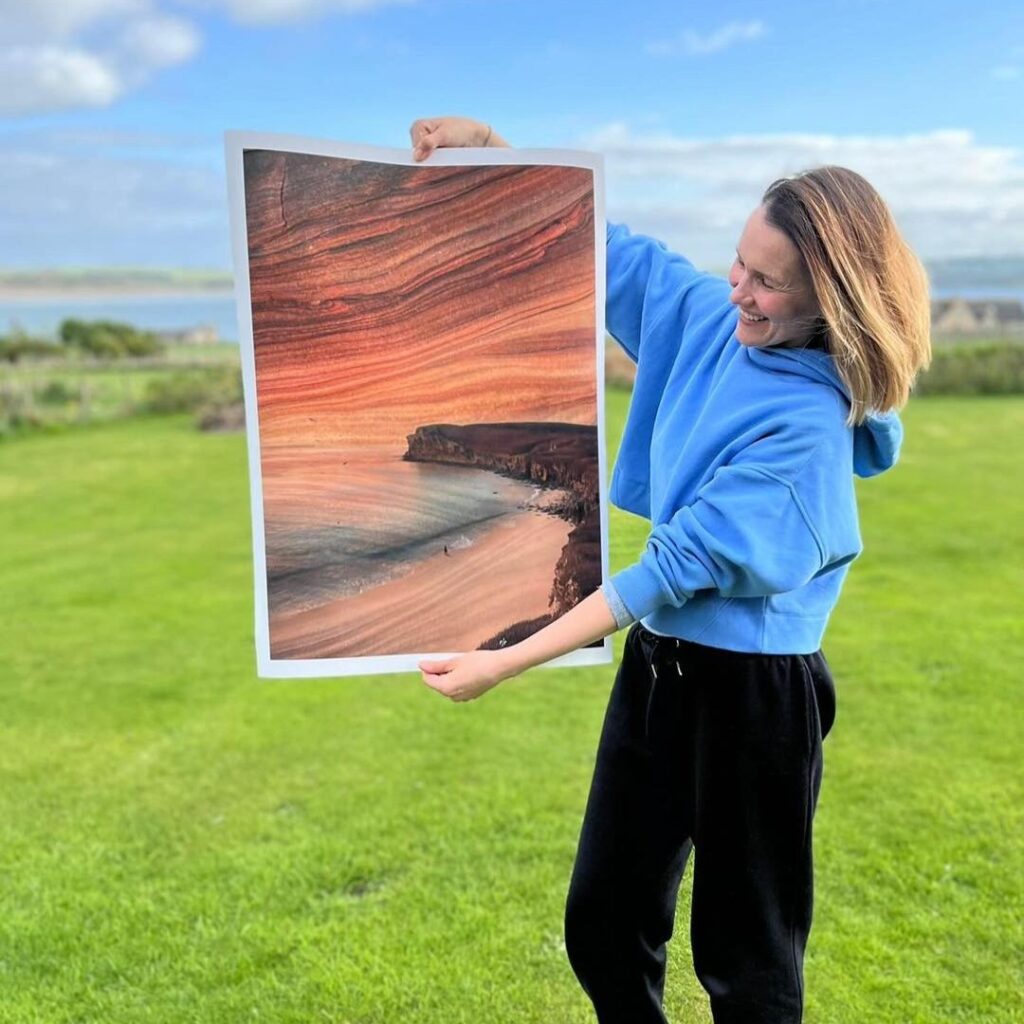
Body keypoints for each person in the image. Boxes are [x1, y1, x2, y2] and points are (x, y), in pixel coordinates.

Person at [410, 116, 931, 1023]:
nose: (741, 289)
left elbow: (670, 569)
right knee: (602, 925)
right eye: (741, 261)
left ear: (833, 304)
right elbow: (605, 254)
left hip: (758, 697)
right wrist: (496, 157)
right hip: (662, 672)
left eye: (768, 283)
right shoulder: (707, 316)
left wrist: (505, 659)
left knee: (746, 959)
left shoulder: (806, 432)